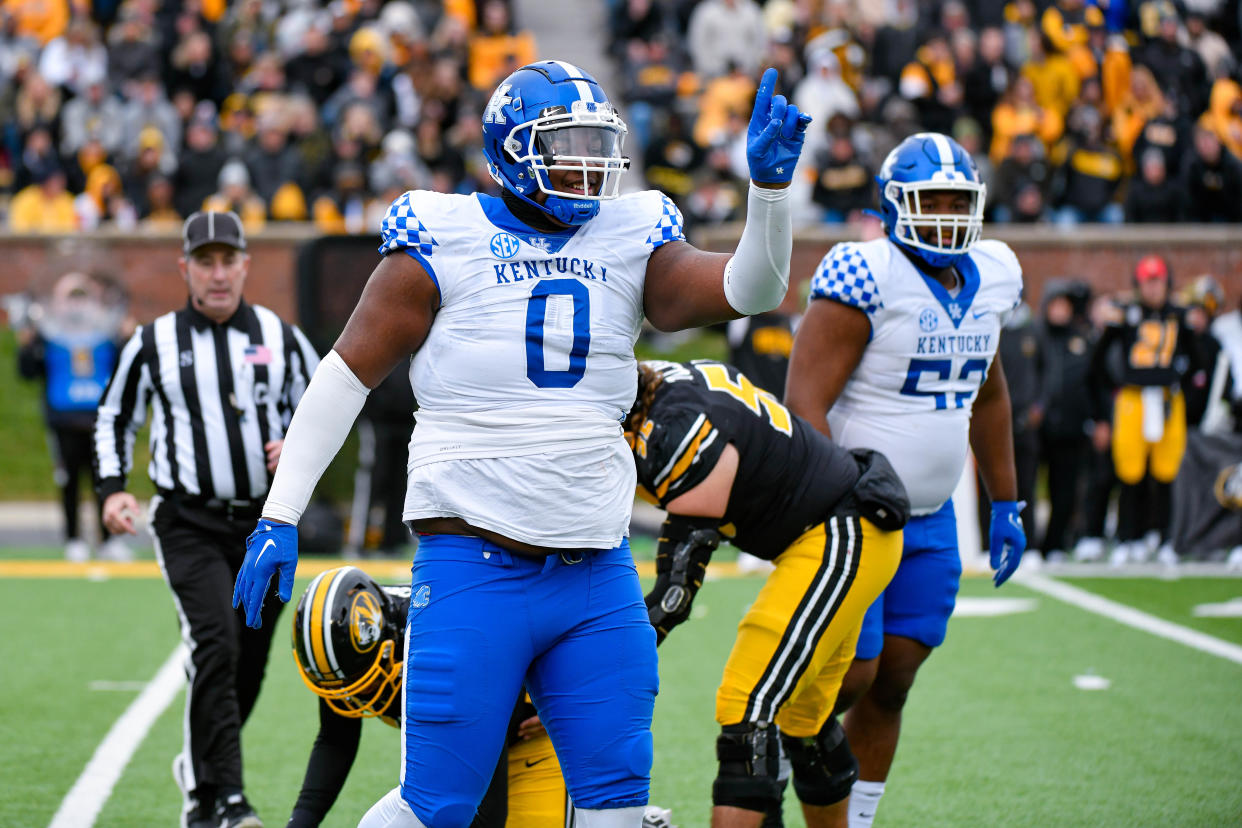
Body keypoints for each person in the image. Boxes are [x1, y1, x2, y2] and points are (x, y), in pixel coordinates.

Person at [232, 60, 812, 828]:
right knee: (436, 808)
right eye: (565, 144)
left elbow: (753, 290)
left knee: (616, 808)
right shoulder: (442, 238)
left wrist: (767, 195)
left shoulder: (630, 234)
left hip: (596, 575)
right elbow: (344, 378)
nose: (588, 164)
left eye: (597, 144)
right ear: (510, 150)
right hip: (476, 567)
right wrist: (279, 513)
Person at [785, 132, 1027, 828]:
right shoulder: (866, 274)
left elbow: (990, 393)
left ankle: (856, 819)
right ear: (893, 207)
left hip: (931, 517)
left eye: (959, 202)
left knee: (893, 680)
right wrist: (839, 496)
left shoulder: (994, 276)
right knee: (851, 674)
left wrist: (1005, 501)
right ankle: (767, 744)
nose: (947, 217)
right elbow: (804, 399)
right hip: (856, 513)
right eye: (931, 202)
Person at [93, 210, 321, 828]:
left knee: (248, 661)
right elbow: (116, 417)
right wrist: (114, 489)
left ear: (245, 265)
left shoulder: (281, 337)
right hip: (187, 521)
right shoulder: (153, 342)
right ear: (186, 267)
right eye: (205, 261)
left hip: (263, 527)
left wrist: (295, 445)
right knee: (215, 644)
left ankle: (201, 770)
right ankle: (221, 801)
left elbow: (328, 408)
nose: (218, 274)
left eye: (228, 261)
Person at [626, 359, 908, 828]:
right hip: (828, 528)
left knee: (748, 707)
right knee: (803, 721)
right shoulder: (658, 384)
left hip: (840, 530)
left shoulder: (674, 432)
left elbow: (674, 595)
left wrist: (595, 665)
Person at [1088, 255, 1203, 565]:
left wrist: (1185, 392)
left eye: (1158, 280)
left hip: (1167, 399)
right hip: (1133, 399)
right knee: (1130, 471)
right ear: (1138, 285)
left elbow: (1197, 362)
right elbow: (1097, 361)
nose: (1153, 288)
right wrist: (1118, 386)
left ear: (1167, 282)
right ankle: (1129, 536)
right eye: (1147, 281)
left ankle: (1163, 537)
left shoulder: (1179, 314)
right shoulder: (1126, 314)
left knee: (1166, 471)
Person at [16, 272, 129, 561]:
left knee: (105, 480)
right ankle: (73, 539)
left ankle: (109, 540)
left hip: (100, 421)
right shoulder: (50, 334)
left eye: (82, 296)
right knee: (69, 482)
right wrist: (26, 345)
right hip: (63, 420)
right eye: (71, 297)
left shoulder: (105, 332)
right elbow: (28, 373)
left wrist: (127, 340)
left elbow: (125, 371)